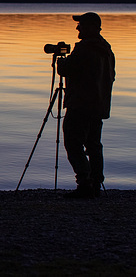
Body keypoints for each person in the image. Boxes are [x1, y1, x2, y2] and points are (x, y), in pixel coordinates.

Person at [57, 12, 115, 198]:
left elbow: (66, 70)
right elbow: (111, 76)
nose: (77, 27)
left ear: (90, 26)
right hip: (98, 106)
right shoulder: (106, 49)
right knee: (94, 145)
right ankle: (96, 184)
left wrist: (60, 63)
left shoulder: (85, 49)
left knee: (73, 143)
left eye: (80, 24)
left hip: (81, 105)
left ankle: (84, 184)